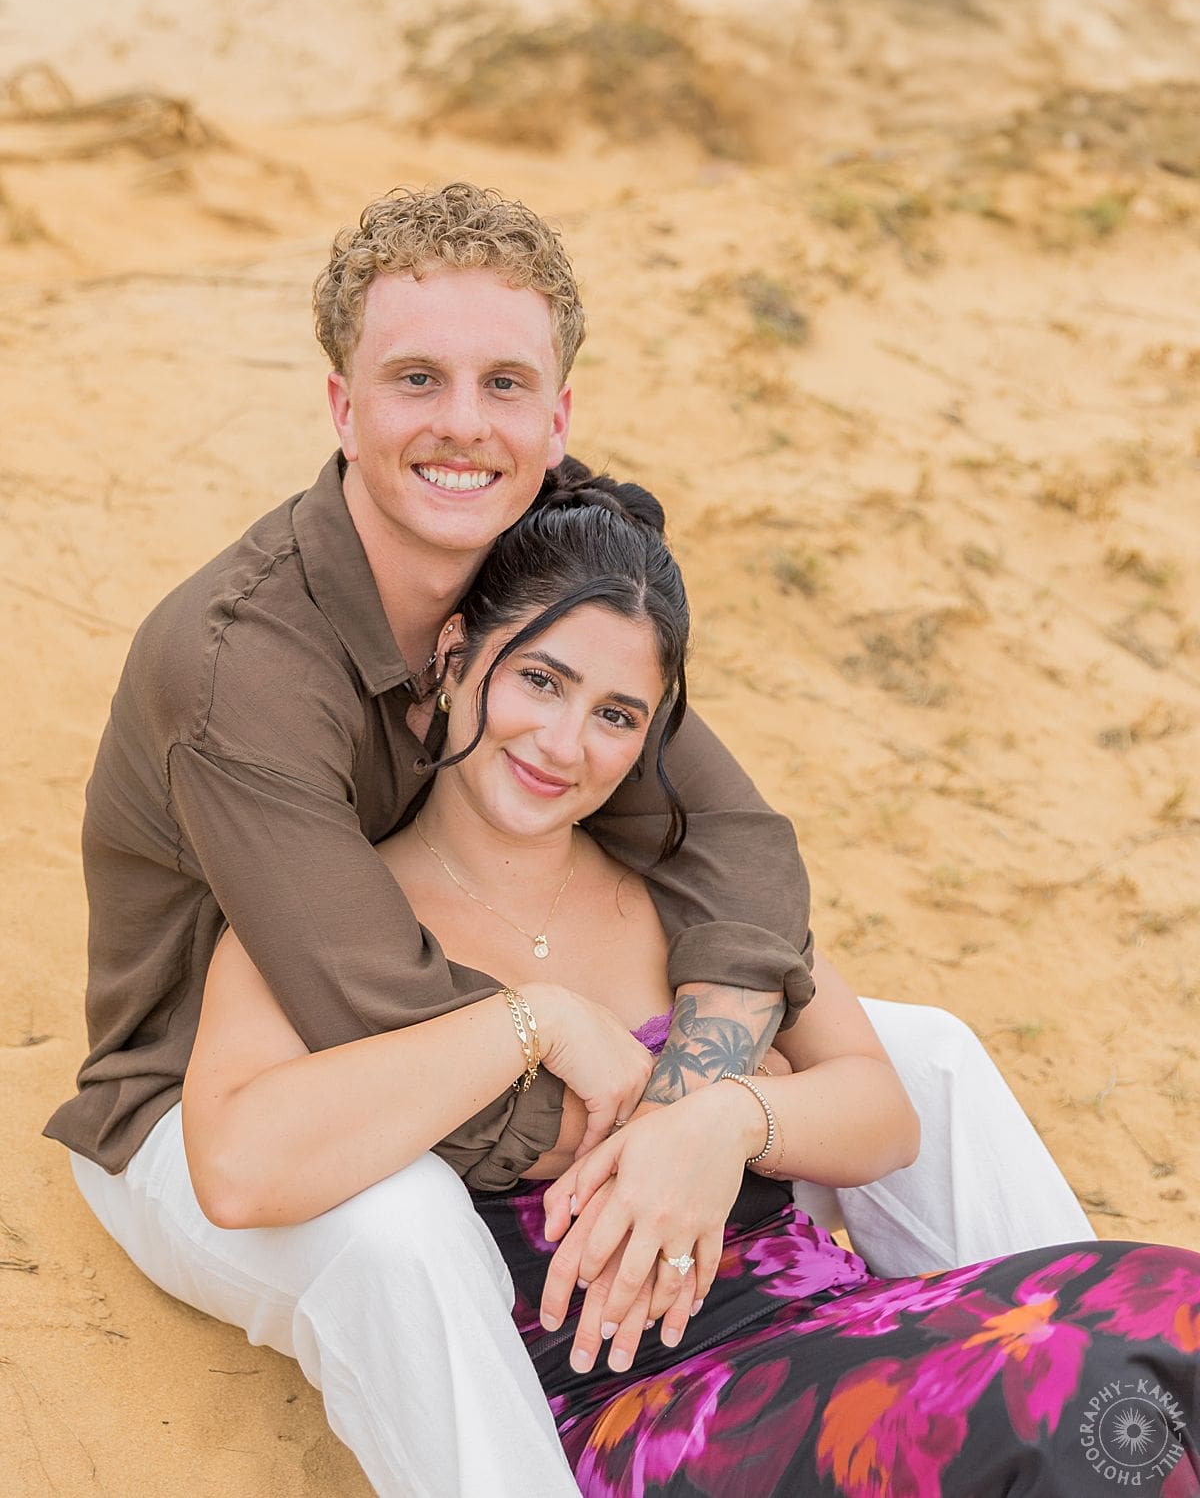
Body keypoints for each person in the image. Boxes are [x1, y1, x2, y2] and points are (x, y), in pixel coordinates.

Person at [48, 183, 1094, 1497]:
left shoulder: (541, 568)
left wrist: (707, 1102)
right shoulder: (237, 666)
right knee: (406, 1226)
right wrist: (660, 1124)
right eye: (416, 376)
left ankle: (1050, 1388)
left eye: (505, 382)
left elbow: (738, 849)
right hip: (225, 1105)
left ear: (559, 414)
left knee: (922, 1056)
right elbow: (368, 1006)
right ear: (342, 405)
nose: (463, 425)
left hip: (490, 1021)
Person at [181, 472, 1200, 1496]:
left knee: (1175, 1307)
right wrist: (530, 1020)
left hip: (838, 1319)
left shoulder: (676, 893)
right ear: (454, 658)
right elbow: (237, 1164)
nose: (565, 744)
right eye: (540, 679)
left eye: (617, 713)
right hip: (646, 1403)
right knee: (1079, 1399)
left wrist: (721, 1122)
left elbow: (881, 1109)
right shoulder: (338, 921)